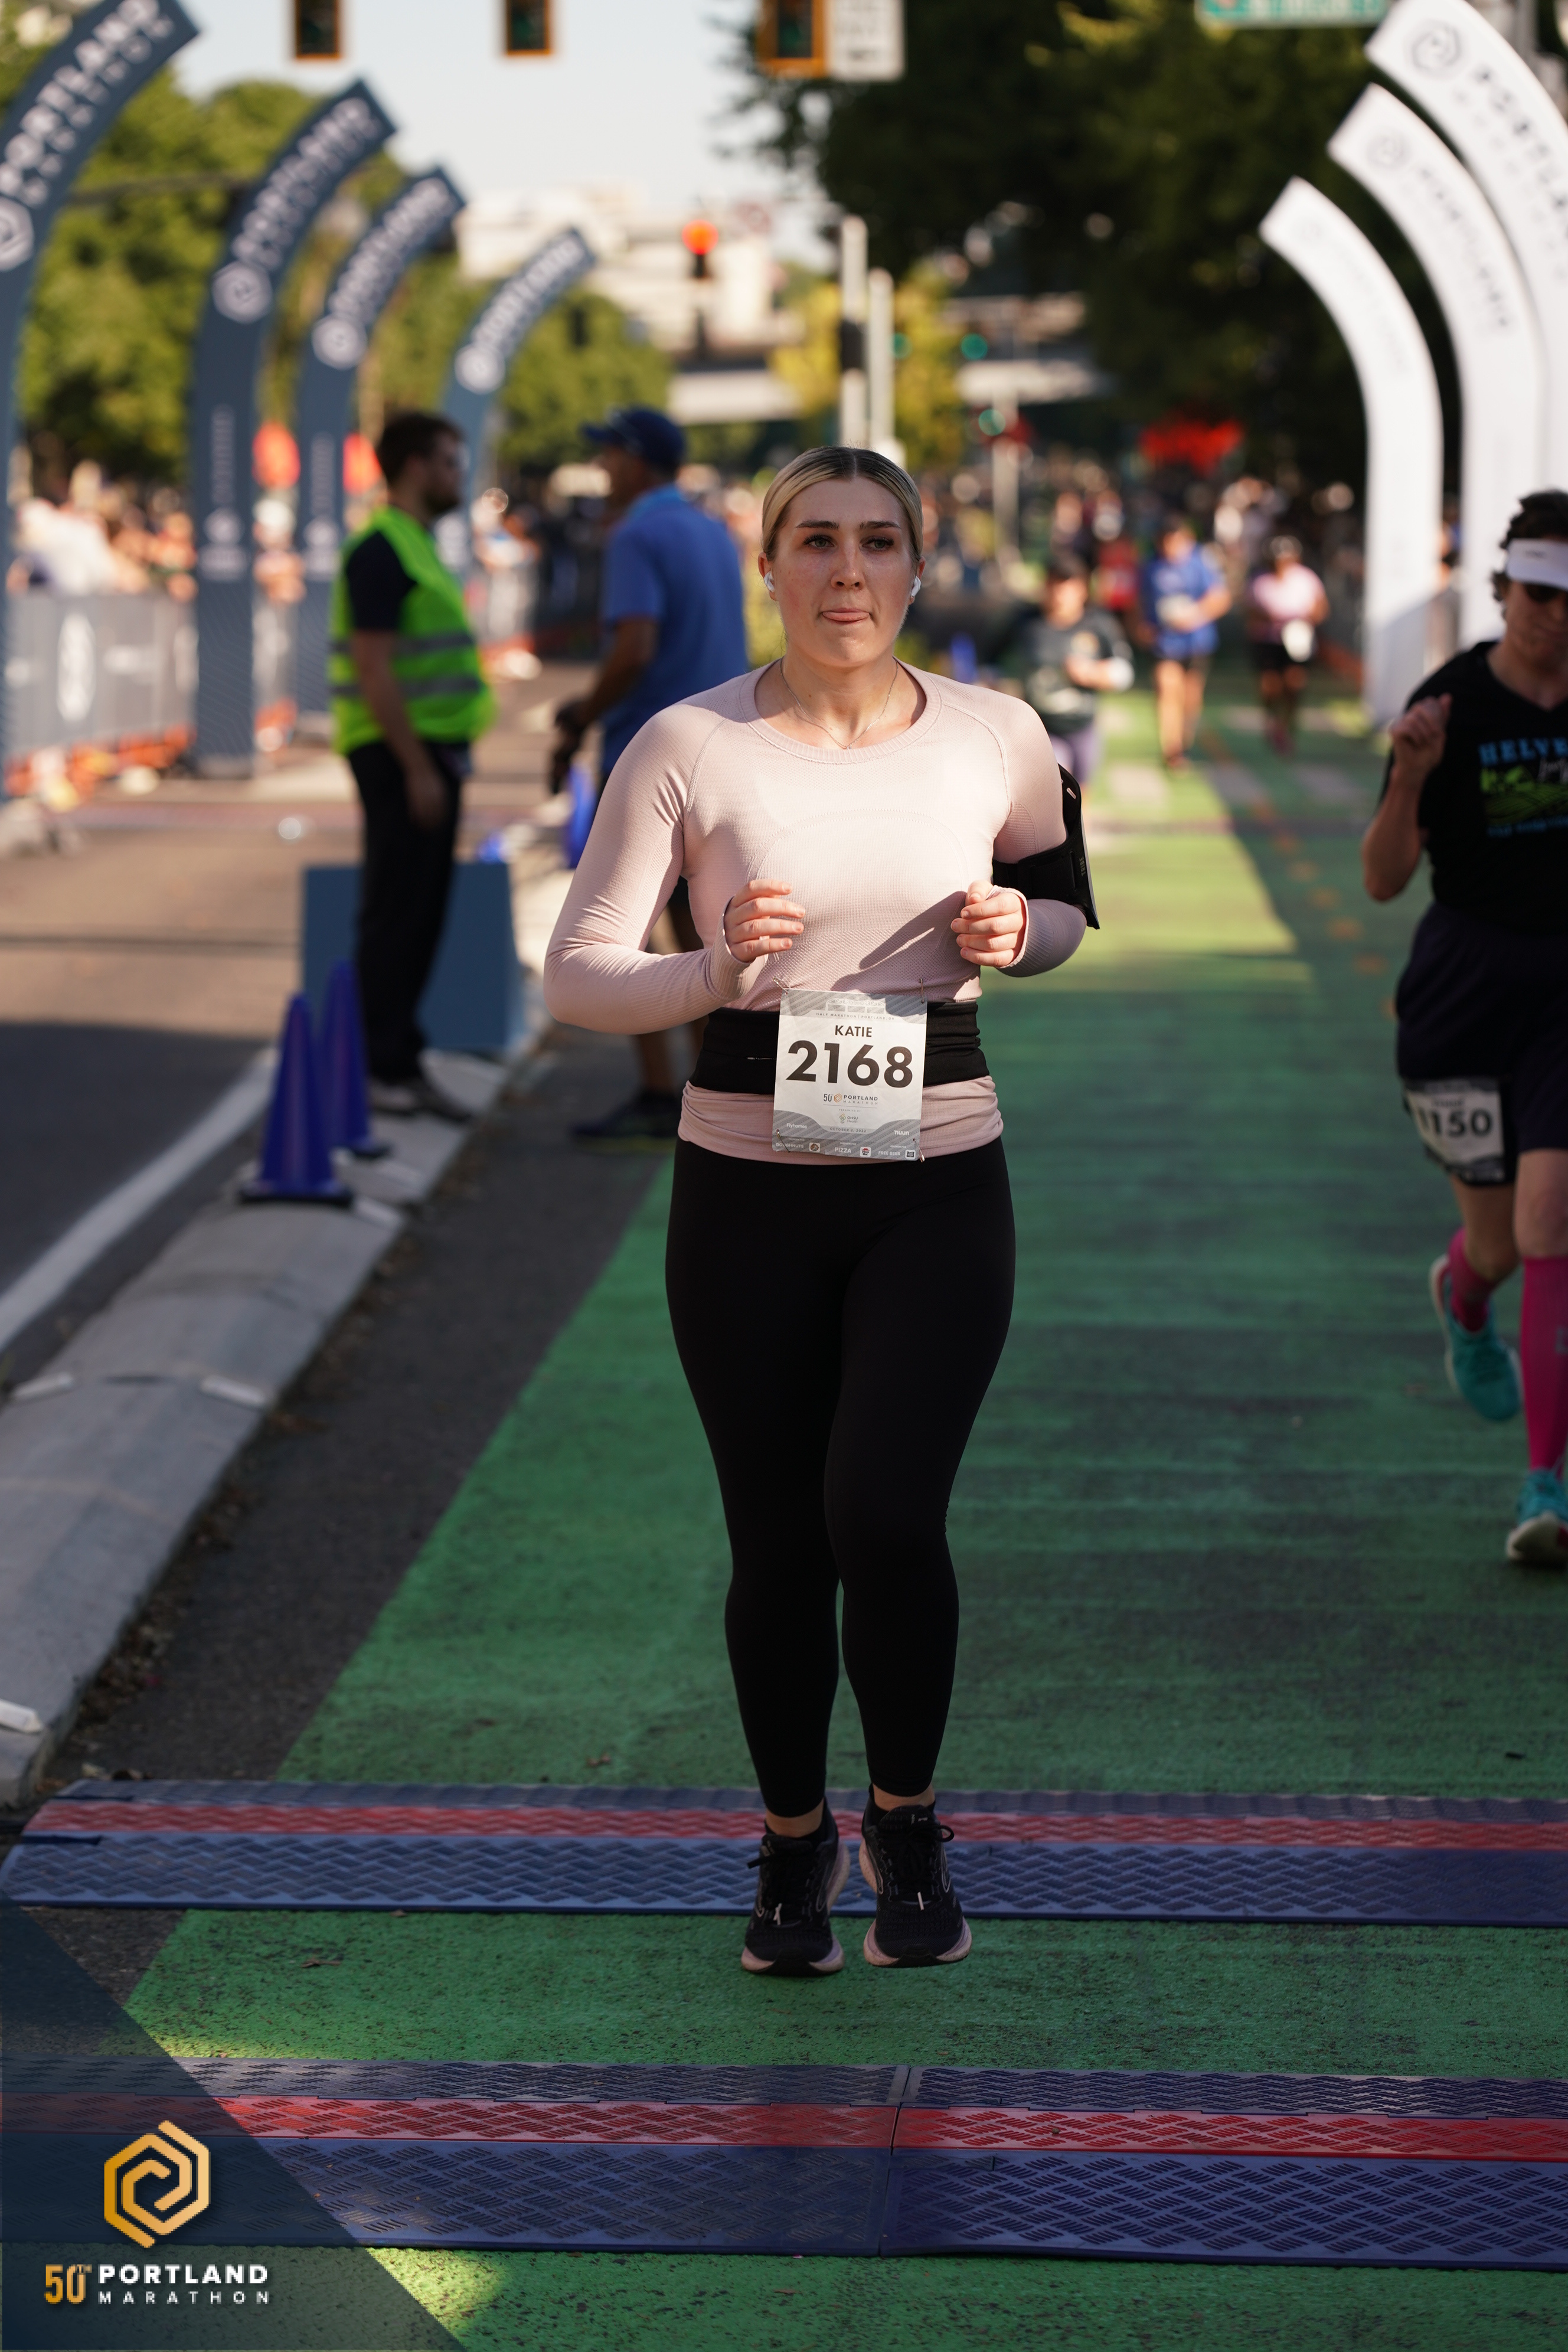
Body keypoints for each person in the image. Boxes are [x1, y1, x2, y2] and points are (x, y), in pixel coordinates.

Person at [544, 446, 1094, 1975]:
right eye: (815, 542)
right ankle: (792, 1843)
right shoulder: (688, 745)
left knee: (885, 1512)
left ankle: (904, 1819)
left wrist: (1020, 929)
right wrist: (712, 968)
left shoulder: (997, 735)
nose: (847, 572)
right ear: (768, 566)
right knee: (779, 1541)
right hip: (745, 1197)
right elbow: (577, 973)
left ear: (916, 562)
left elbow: (1066, 909)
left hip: (936, 1186)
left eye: (876, 542)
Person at [1361, 490, 1568, 1564]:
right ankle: (1465, 1292)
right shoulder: (1449, 703)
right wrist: (1410, 775)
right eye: (1540, 592)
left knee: (1551, 1222)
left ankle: (1547, 1487)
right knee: (1498, 1244)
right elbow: (1383, 878)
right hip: (1463, 991)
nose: (1556, 614)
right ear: (1504, 588)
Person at [550, 406, 748, 1149]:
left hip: (650, 756)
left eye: (608, 456)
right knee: (707, 931)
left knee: (621, 934)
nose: (601, 470)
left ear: (635, 463)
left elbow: (634, 649)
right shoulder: (712, 529)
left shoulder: (635, 534)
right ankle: (718, 1084)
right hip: (725, 748)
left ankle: (662, 1090)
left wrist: (580, 715)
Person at [329, 410, 496, 1120]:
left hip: (428, 751)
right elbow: (374, 668)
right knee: (396, 913)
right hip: (402, 753)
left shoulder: (415, 544)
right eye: (450, 462)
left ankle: (398, 1056)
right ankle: (376, 1065)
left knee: (419, 914)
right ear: (416, 466)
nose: (459, 475)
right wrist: (416, 768)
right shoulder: (382, 550)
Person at [998, 553, 1133, 784]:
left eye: (1068, 587)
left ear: (1082, 590)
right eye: (1055, 585)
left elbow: (1124, 670)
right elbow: (991, 661)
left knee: (1081, 789)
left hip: (1083, 725)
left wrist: (1095, 673)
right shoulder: (1026, 623)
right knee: (1058, 782)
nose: (1060, 595)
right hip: (1041, 727)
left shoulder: (1098, 623)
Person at [1136, 515, 1230, 769]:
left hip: (1196, 643)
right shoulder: (1151, 566)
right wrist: (1142, 627)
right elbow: (1140, 601)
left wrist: (1195, 615)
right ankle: (1172, 748)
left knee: (1190, 696)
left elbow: (1221, 598)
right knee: (1167, 689)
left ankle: (1184, 741)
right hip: (1165, 643)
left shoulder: (1200, 564)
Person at [1247, 534, 1329, 753]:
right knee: (1270, 685)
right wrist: (1271, 618)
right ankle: (1272, 720)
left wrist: (1303, 619)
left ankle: (1287, 725)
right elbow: (1250, 612)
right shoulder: (1261, 582)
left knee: (1294, 683)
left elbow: (1320, 608)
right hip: (1269, 640)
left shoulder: (1306, 580)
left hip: (1297, 640)